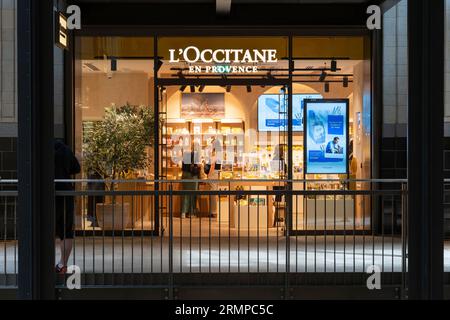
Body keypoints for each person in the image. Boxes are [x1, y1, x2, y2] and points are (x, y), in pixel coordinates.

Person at [54, 139, 81, 274]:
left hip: (48, 195)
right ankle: (62, 264)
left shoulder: (41, 149)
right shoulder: (65, 150)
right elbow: (77, 168)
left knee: (45, 230)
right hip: (66, 193)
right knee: (66, 231)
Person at [181, 142, 201, 218]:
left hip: (185, 175)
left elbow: (183, 167)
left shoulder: (186, 153)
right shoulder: (196, 155)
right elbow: (197, 166)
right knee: (193, 194)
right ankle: (191, 213)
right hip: (192, 176)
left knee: (185, 194)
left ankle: (183, 212)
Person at [206, 136, 222, 218]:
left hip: (213, 174)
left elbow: (212, 165)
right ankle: (214, 211)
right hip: (215, 173)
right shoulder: (219, 153)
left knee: (213, 193)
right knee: (213, 192)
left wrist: (208, 173)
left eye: (212, 144)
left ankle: (214, 211)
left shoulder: (215, 153)